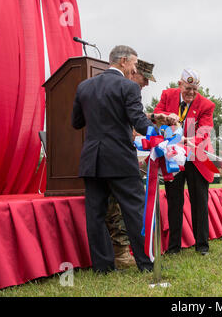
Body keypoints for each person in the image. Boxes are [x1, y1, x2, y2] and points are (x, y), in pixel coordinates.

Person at [71, 45, 166, 273]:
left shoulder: (84, 86)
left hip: (92, 160)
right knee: (135, 211)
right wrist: (160, 135)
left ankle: (103, 267)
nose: (135, 69)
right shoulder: (128, 87)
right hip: (120, 160)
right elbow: (139, 122)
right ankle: (146, 263)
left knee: (95, 215)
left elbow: (76, 123)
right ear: (123, 61)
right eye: (134, 64)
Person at [153, 68, 215, 256]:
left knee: (200, 200)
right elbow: (156, 115)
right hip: (173, 156)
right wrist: (165, 120)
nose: (191, 93)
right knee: (174, 200)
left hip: (196, 156)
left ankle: (202, 245)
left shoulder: (206, 104)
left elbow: (205, 129)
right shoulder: (167, 95)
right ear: (180, 84)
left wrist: (191, 140)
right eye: (188, 89)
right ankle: (173, 247)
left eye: (195, 90)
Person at [105, 58, 157, 269]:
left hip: (121, 155)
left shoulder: (125, 89)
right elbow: (129, 120)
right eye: (144, 79)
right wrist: (155, 132)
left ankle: (129, 253)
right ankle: (123, 253)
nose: (145, 84)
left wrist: (154, 117)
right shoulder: (124, 88)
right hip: (115, 156)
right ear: (133, 72)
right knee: (120, 207)